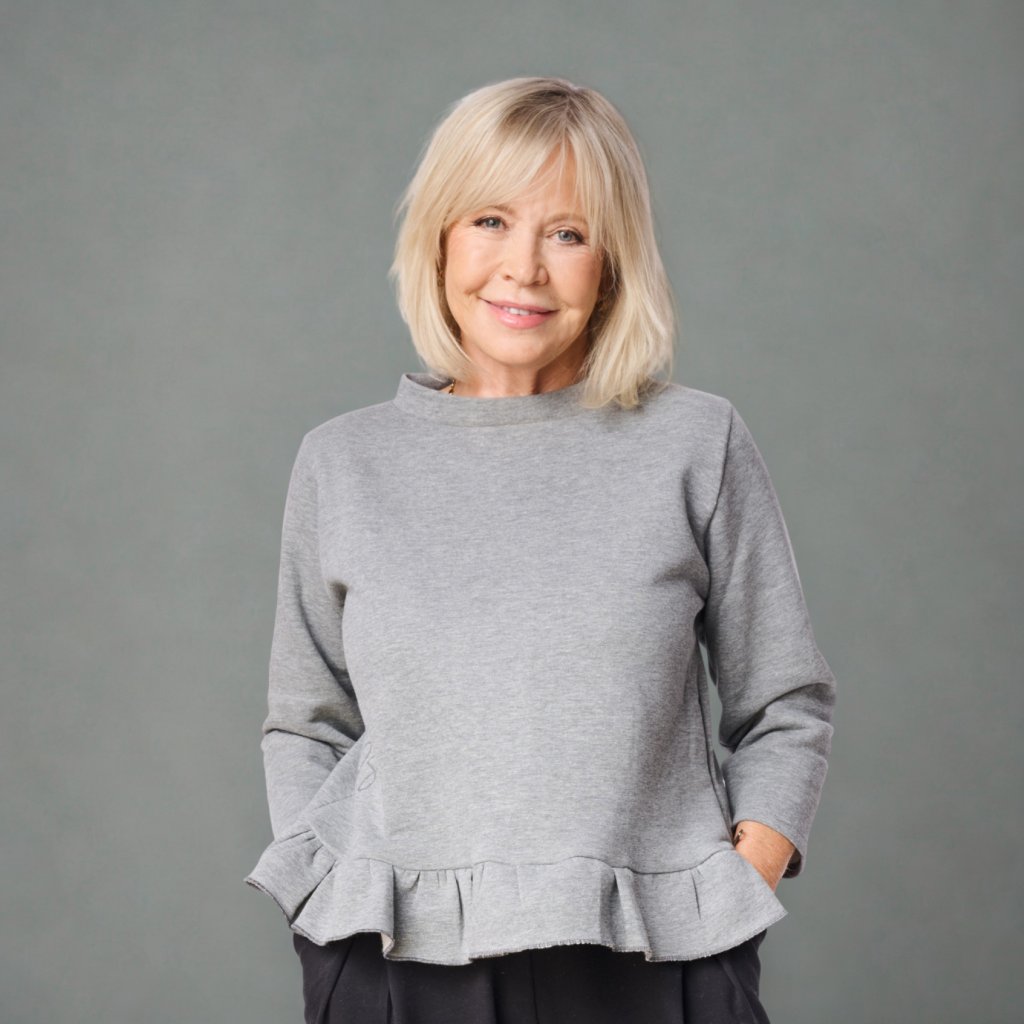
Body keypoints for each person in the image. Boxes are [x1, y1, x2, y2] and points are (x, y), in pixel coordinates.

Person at [244, 76, 837, 1024]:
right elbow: (306, 723)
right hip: (399, 960)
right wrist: (322, 898)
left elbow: (785, 703)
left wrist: (745, 869)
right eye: (490, 220)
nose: (522, 268)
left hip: (651, 956)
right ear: (440, 237)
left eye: (567, 233)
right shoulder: (343, 463)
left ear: (612, 264)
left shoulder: (696, 444)